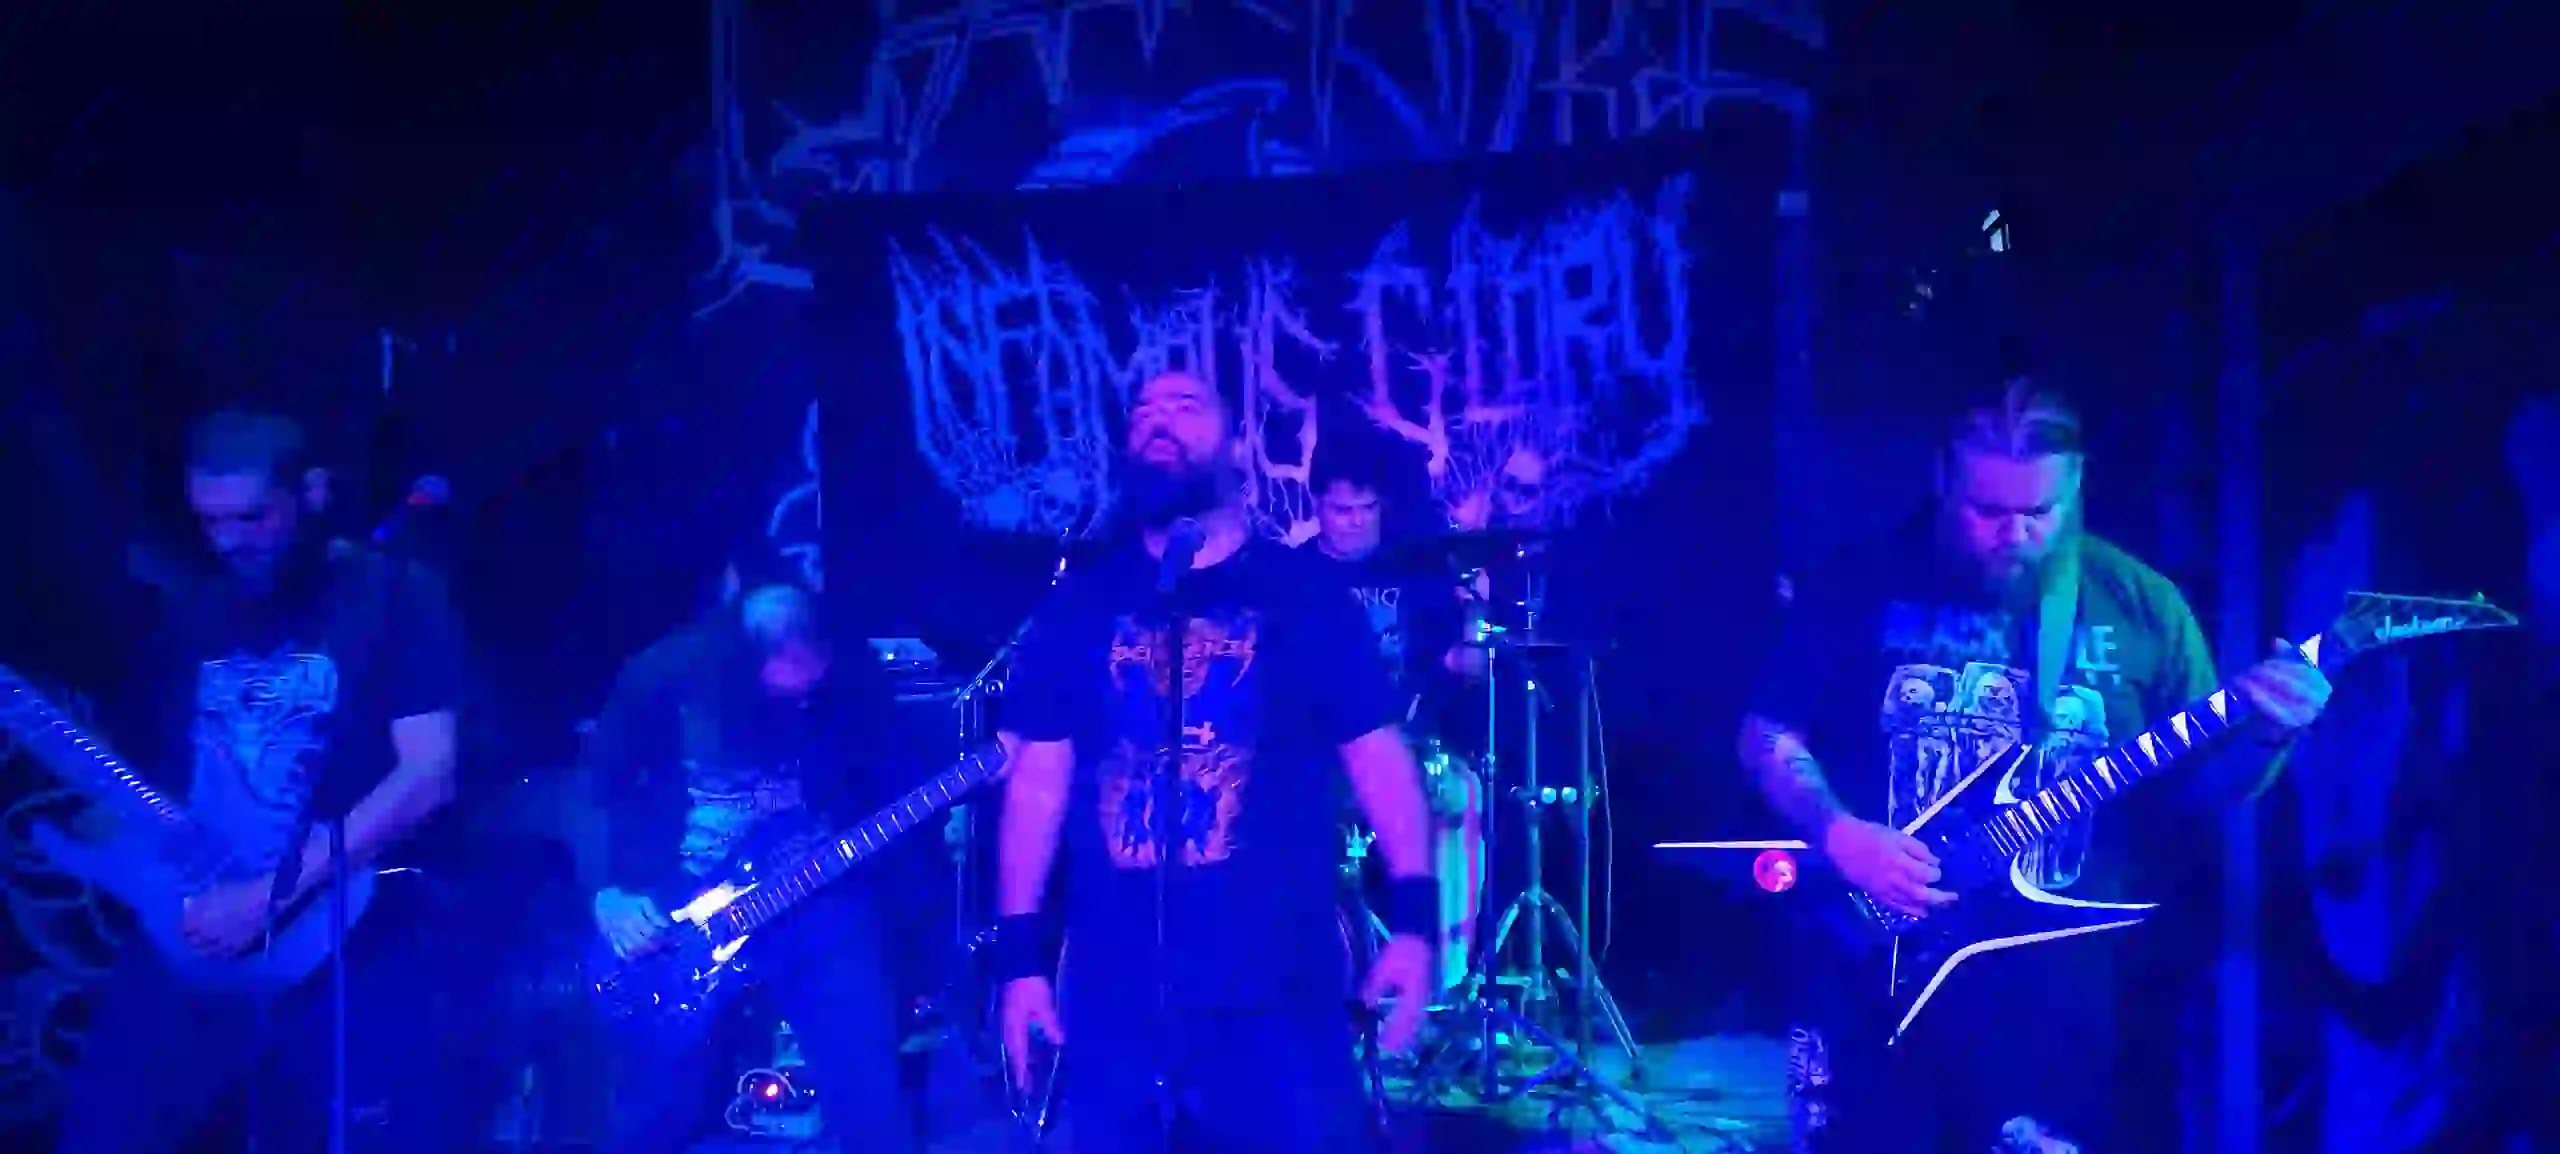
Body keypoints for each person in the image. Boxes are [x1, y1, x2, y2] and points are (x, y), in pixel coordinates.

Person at [1737, 381, 2334, 1151]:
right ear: (1942, 478)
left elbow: (2201, 794)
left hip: (2068, 1009)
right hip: (1869, 983)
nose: (2013, 534)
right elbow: (1767, 730)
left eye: (2039, 512)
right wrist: (1839, 833)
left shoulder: (2144, 607)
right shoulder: (1859, 583)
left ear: (2077, 486)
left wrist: (2267, 739)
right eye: (1986, 511)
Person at [989, 370, 1438, 1154]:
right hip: (1115, 993)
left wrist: (1416, 921)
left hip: (1275, 990)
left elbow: (1377, 757)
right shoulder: (1081, 604)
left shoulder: (1301, 592)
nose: (1157, 419)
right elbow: (1036, 784)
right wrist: (1021, 957)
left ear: (1235, 445)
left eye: (1185, 406)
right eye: (1143, 410)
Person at [54, 408, 466, 1153]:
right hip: (193, 924)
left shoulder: (394, 598)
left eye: (250, 517)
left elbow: (429, 774)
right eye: (209, 521)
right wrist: (114, 834)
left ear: (312, 492)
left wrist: (269, 896)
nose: (229, 540)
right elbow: (160, 780)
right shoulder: (190, 618)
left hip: (343, 931)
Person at [580, 565, 914, 1154]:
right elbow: (594, 789)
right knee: (654, 1114)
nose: (804, 696)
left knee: (872, 1099)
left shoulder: (854, 673)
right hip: (686, 913)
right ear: (748, 663)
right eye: (787, 686)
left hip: (818, 900)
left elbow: (889, 782)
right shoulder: (664, 676)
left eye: (813, 682)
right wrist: (606, 890)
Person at [1304, 449, 1489, 994]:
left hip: (1404, 744)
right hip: (1319, 752)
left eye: (1367, 509)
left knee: (1459, 790)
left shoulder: (1413, 573)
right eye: (1342, 510)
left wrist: (1476, 615)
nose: (1356, 522)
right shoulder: (1293, 578)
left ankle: (1443, 982)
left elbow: (1469, 667)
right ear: (1317, 506)